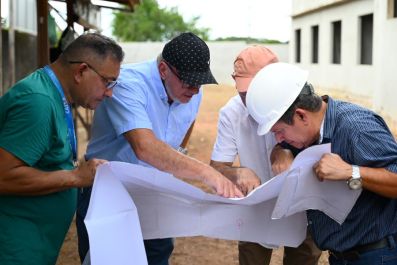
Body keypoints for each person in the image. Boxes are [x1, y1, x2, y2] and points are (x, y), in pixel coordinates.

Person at [76, 32, 243, 265]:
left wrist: (175, 158)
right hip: (110, 194)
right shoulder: (127, 85)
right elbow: (145, 147)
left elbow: (185, 125)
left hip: (154, 195)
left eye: (200, 82)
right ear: (164, 70)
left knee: (157, 257)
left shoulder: (192, 91)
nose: (195, 90)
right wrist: (208, 173)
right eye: (188, 82)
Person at [246, 62, 397, 265]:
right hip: (341, 256)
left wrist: (351, 172)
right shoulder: (307, 132)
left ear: (301, 115)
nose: (279, 138)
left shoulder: (357, 128)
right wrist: (280, 152)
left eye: (279, 131)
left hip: (378, 255)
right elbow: (283, 148)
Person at [0, 33, 124, 265]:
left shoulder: (56, 96)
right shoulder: (39, 103)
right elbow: (2, 176)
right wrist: (75, 177)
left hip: (32, 243)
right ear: (81, 71)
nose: (110, 92)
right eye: (107, 82)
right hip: (13, 247)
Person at [210, 46, 321, 265]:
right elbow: (217, 166)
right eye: (242, 91)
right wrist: (238, 172)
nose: (246, 98)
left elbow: (321, 148)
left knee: (304, 258)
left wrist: (287, 152)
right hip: (256, 208)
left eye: (252, 91)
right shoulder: (231, 113)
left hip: (302, 206)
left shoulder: (301, 103)